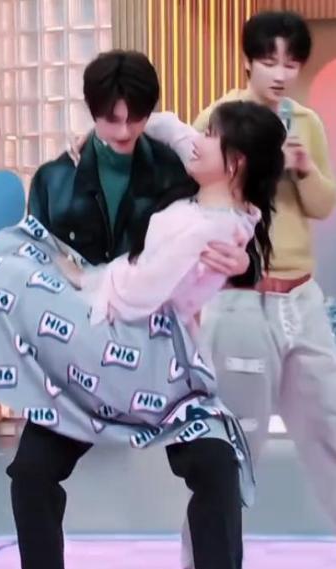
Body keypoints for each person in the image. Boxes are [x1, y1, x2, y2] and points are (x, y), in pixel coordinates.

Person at [0, 51, 280, 569]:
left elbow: (217, 236)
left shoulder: (178, 169)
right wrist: (67, 278)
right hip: (78, 350)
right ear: (92, 112)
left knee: (217, 464)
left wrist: (243, 262)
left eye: (135, 117)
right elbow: (43, 252)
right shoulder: (55, 178)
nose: (124, 131)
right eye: (111, 118)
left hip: (149, 352)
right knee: (31, 471)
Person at [145, 11, 336, 568]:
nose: (280, 74)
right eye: (269, 61)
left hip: (302, 299)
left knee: (330, 428)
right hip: (239, 301)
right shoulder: (219, 118)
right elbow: (188, 194)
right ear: (248, 61)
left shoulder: (306, 123)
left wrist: (303, 167)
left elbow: (323, 205)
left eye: (291, 63)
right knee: (230, 450)